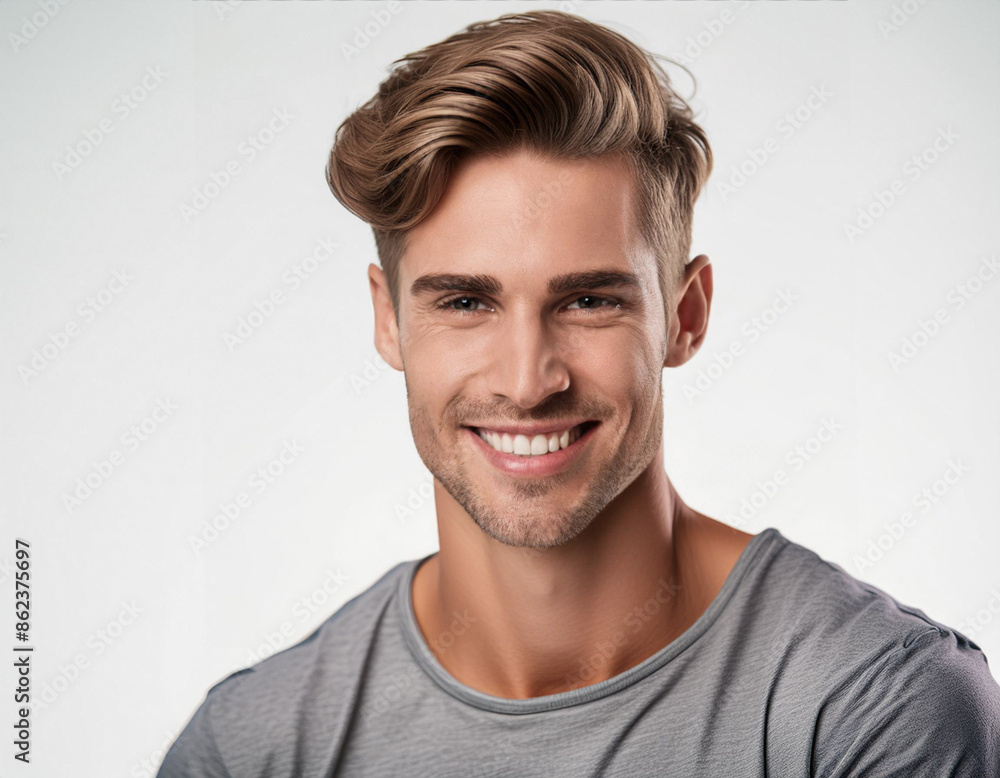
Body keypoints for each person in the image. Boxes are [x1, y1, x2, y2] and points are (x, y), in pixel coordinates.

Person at [159, 10, 1000, 777]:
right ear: (389, 321)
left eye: (589, 300)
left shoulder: (871, 709)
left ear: (685, 314)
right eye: (465, 302)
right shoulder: (250, 748)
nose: (527, 382)